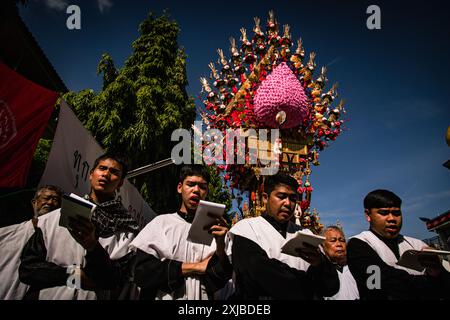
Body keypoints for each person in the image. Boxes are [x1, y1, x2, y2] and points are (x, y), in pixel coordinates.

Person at [19, 153, 140, 300]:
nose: (106, 174)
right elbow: (28, 270)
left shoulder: (126, 231)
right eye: (102, 168)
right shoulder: (52, 219)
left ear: (120, 183)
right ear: (91, 174)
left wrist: (92, 246)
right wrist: (74, 276)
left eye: (114, 172)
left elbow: (113, 280)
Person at [226, 173, 339, 299]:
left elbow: (330, 287)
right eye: (281, 196)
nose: (287, 203)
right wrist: (309, 284)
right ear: (265, 198)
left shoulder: (306, 234)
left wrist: (320, 263)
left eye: (292, 198)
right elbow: (262, 275)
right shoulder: (246, 229)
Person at [131, 164, 232, 300]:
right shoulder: (161, 223)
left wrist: (220, 247)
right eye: (190, 184)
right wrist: (195, 267)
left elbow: (223, 280)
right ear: (180, 188)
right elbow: (142, 272)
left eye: (202, 187)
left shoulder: (217, 231)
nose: (196, 190)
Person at [347, 189, 450, 300]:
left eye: (396, 213)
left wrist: (437, 273)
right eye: (384, 213)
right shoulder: (359, 243)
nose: (391, 219)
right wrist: (431, 283)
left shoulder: (418, 245)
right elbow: (378, 283)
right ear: (368, 215)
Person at [0, 185, 62, 300]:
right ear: (34, 202)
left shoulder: (61, 244)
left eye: (55, 200)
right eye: (46, 198)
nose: (50, 202)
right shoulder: (6, 234)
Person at [321, 226, 359, 300]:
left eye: (342, 240)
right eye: (333, 240)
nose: (339, 244)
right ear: (323, 246)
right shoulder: (319, 272)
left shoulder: (356, 267)